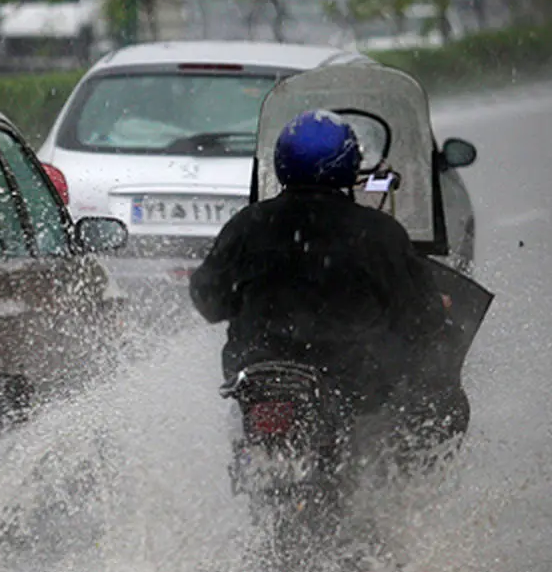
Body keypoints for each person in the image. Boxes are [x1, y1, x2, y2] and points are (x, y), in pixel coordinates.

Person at [190, 109, 468, 447]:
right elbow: (419, 317)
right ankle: (422, 468)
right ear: (349, 162)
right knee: (436, 360)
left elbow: (209, 302)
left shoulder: (248, 224)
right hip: (350, 379)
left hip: (259, 371)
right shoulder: (377, 233)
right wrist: (435, 307)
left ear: (281, 162)